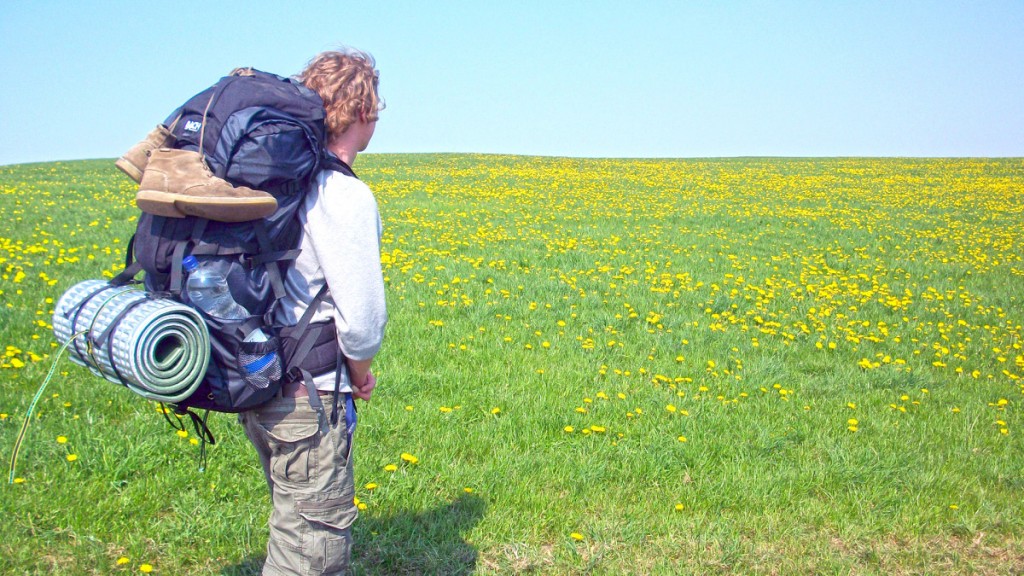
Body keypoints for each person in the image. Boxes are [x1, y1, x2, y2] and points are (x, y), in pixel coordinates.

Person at [238, 47, 387, 575]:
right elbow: (363, 322)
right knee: (310, 556)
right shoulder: (341, 195)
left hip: (261, 384)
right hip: (311, 398)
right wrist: (362, 373)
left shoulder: (275, 184)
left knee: (291, 525)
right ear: (364, 113)